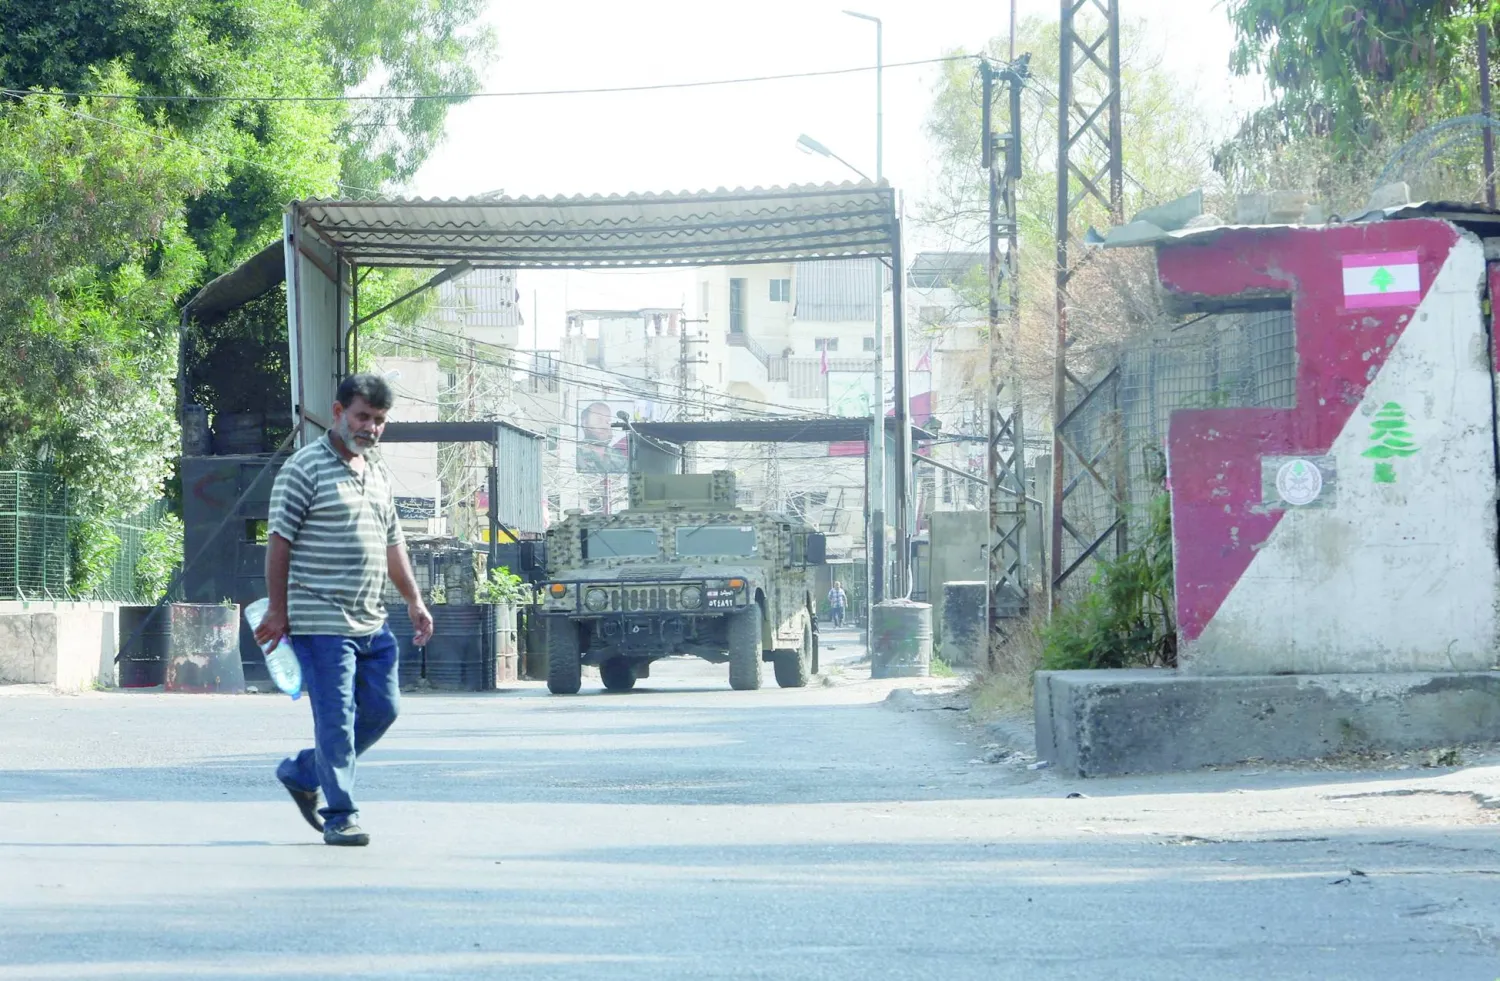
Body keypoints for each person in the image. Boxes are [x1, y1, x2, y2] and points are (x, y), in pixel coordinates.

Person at [254, 373, 434, 847]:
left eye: (378, 421)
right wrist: (278, 609)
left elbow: (394, 543)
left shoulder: (376, 473)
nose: (370, 428)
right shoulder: (304, 468)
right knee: (335, 718)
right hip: (320, 619)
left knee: (383, 709)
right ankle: (340, 815)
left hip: (372, 620)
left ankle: (302, 771)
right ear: (337, 413)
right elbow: (279, 542)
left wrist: (414, 600)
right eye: (362, 417)